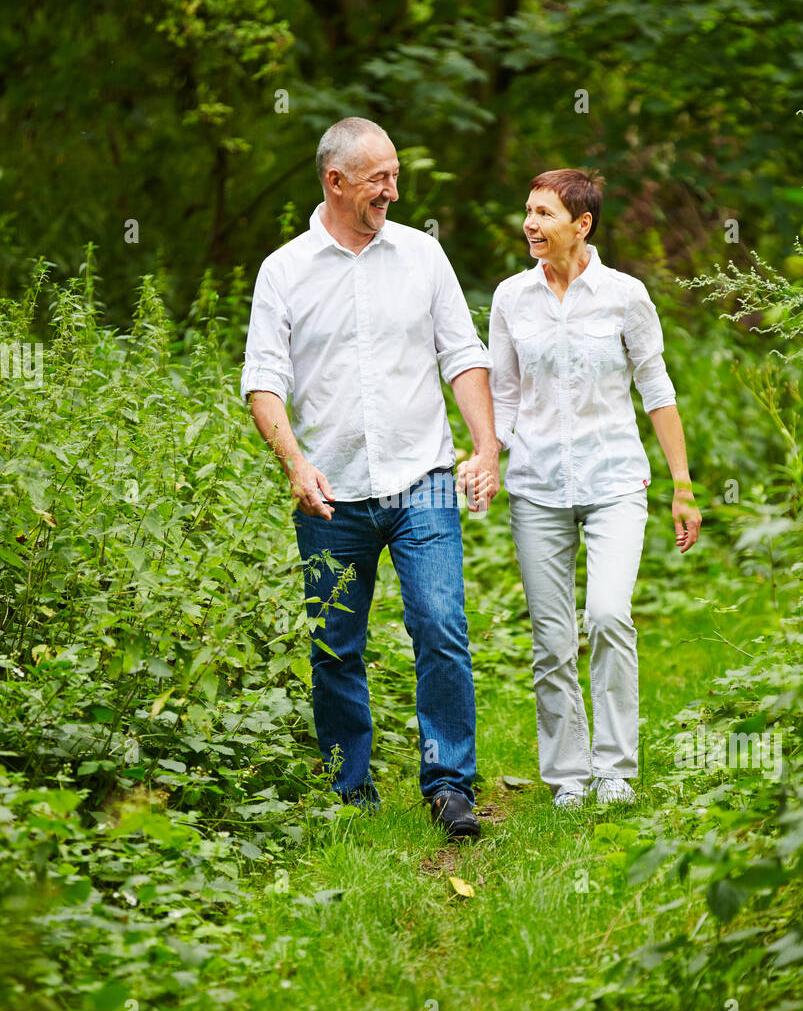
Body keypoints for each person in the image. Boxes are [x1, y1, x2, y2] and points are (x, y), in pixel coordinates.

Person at [240, 117, 500, 838]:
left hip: (422, 478)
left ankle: (450, 785)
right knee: (334, 644)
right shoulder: (283, 271)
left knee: (441, 623)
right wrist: (295, 464)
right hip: (332, 495)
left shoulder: (422, 256)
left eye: (394, 175)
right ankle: (349, 790)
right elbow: (264, 378)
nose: (392, 189)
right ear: (335, 181)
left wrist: (486, 447)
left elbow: (462, 354)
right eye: (378, 177)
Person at [485, 168, 701, 808]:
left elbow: (657, 392)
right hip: (537, 486)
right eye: (528, 210)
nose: (530, 223)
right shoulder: (510, 299)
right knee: (551, 637)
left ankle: (614, 768)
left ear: (582, 225)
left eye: (544, 214)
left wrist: (682, 485)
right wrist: (485, 455)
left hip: (613, 481)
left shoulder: (626, 296)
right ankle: (568, 776)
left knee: (608, 614)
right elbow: (503, 395)